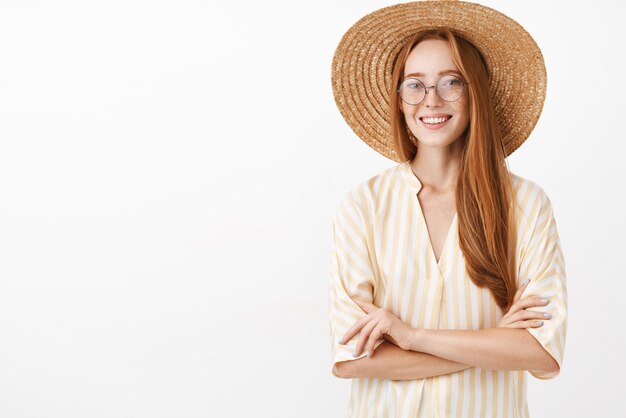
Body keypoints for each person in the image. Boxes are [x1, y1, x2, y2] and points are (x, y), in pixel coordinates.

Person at [328, 1, 567, 417]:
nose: (431, 100)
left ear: (475, 93)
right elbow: (353, 359)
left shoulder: (526, 205)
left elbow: (541, 352)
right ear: (399, 100)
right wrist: (494, 341)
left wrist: (410, 336)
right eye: (415, 84)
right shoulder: (363, 207)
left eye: (451, 82)